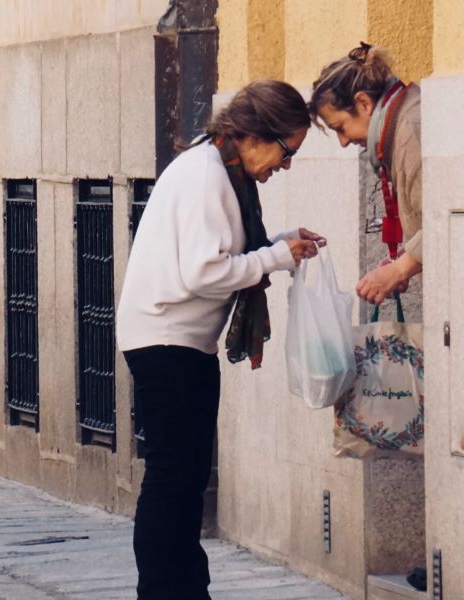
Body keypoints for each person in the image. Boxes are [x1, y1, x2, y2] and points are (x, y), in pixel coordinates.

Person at [117, 80, 325, 600]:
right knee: (172, 476)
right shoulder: (206, 175)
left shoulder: (220, 171)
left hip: (180, 341)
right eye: (287, 151)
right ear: (256, 134)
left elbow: (228, 251)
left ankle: (184, 588)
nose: (286, 165)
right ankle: (167, 590)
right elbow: (205, 272)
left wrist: (281, 243)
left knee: (184, 478)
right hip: (167, 340)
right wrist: (277, 256)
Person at [309, 41, 422, 304]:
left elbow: (440, 223)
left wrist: (398, 269)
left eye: (340, 127)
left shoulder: (411, 134)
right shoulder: (400, 125)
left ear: (363, 103)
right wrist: (403, 261)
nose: (343, 142)